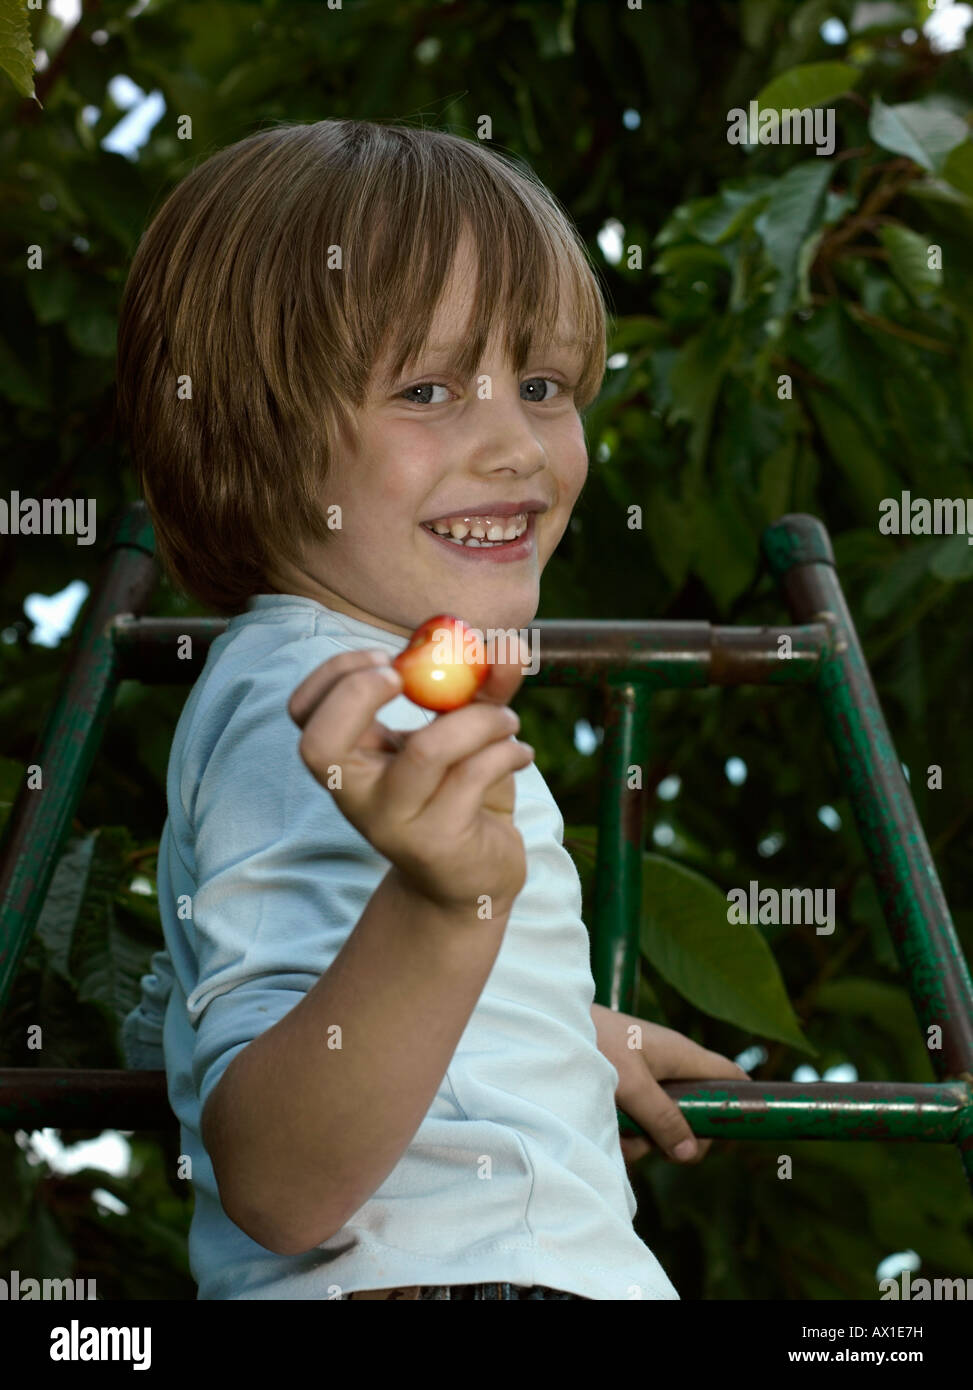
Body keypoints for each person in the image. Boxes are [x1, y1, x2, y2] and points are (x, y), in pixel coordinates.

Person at [115, 118, 748, 1301]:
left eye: (546, 385)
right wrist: (447, 909)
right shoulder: (317, 703)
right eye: (426, 389)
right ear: (252, 432)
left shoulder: (329, 675)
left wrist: (544, 1031)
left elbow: (234, 1010)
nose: (516, 444)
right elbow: (280, 1174)